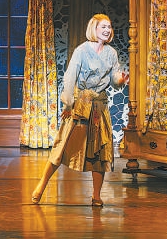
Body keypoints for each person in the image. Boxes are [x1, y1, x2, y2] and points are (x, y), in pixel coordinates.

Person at [30, 13, 129, 207]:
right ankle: (42, 185)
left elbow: (113, 79)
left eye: (109, 27)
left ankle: (96, 195)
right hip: (81, 105)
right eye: (103, 27)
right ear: (94, 28)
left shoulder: (111, 53)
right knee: (62, 146)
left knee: (100, 152)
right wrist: (68, 104)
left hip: (99, 107)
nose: (107, 30)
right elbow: (69, 77)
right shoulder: (82, 51)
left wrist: (120, 80)